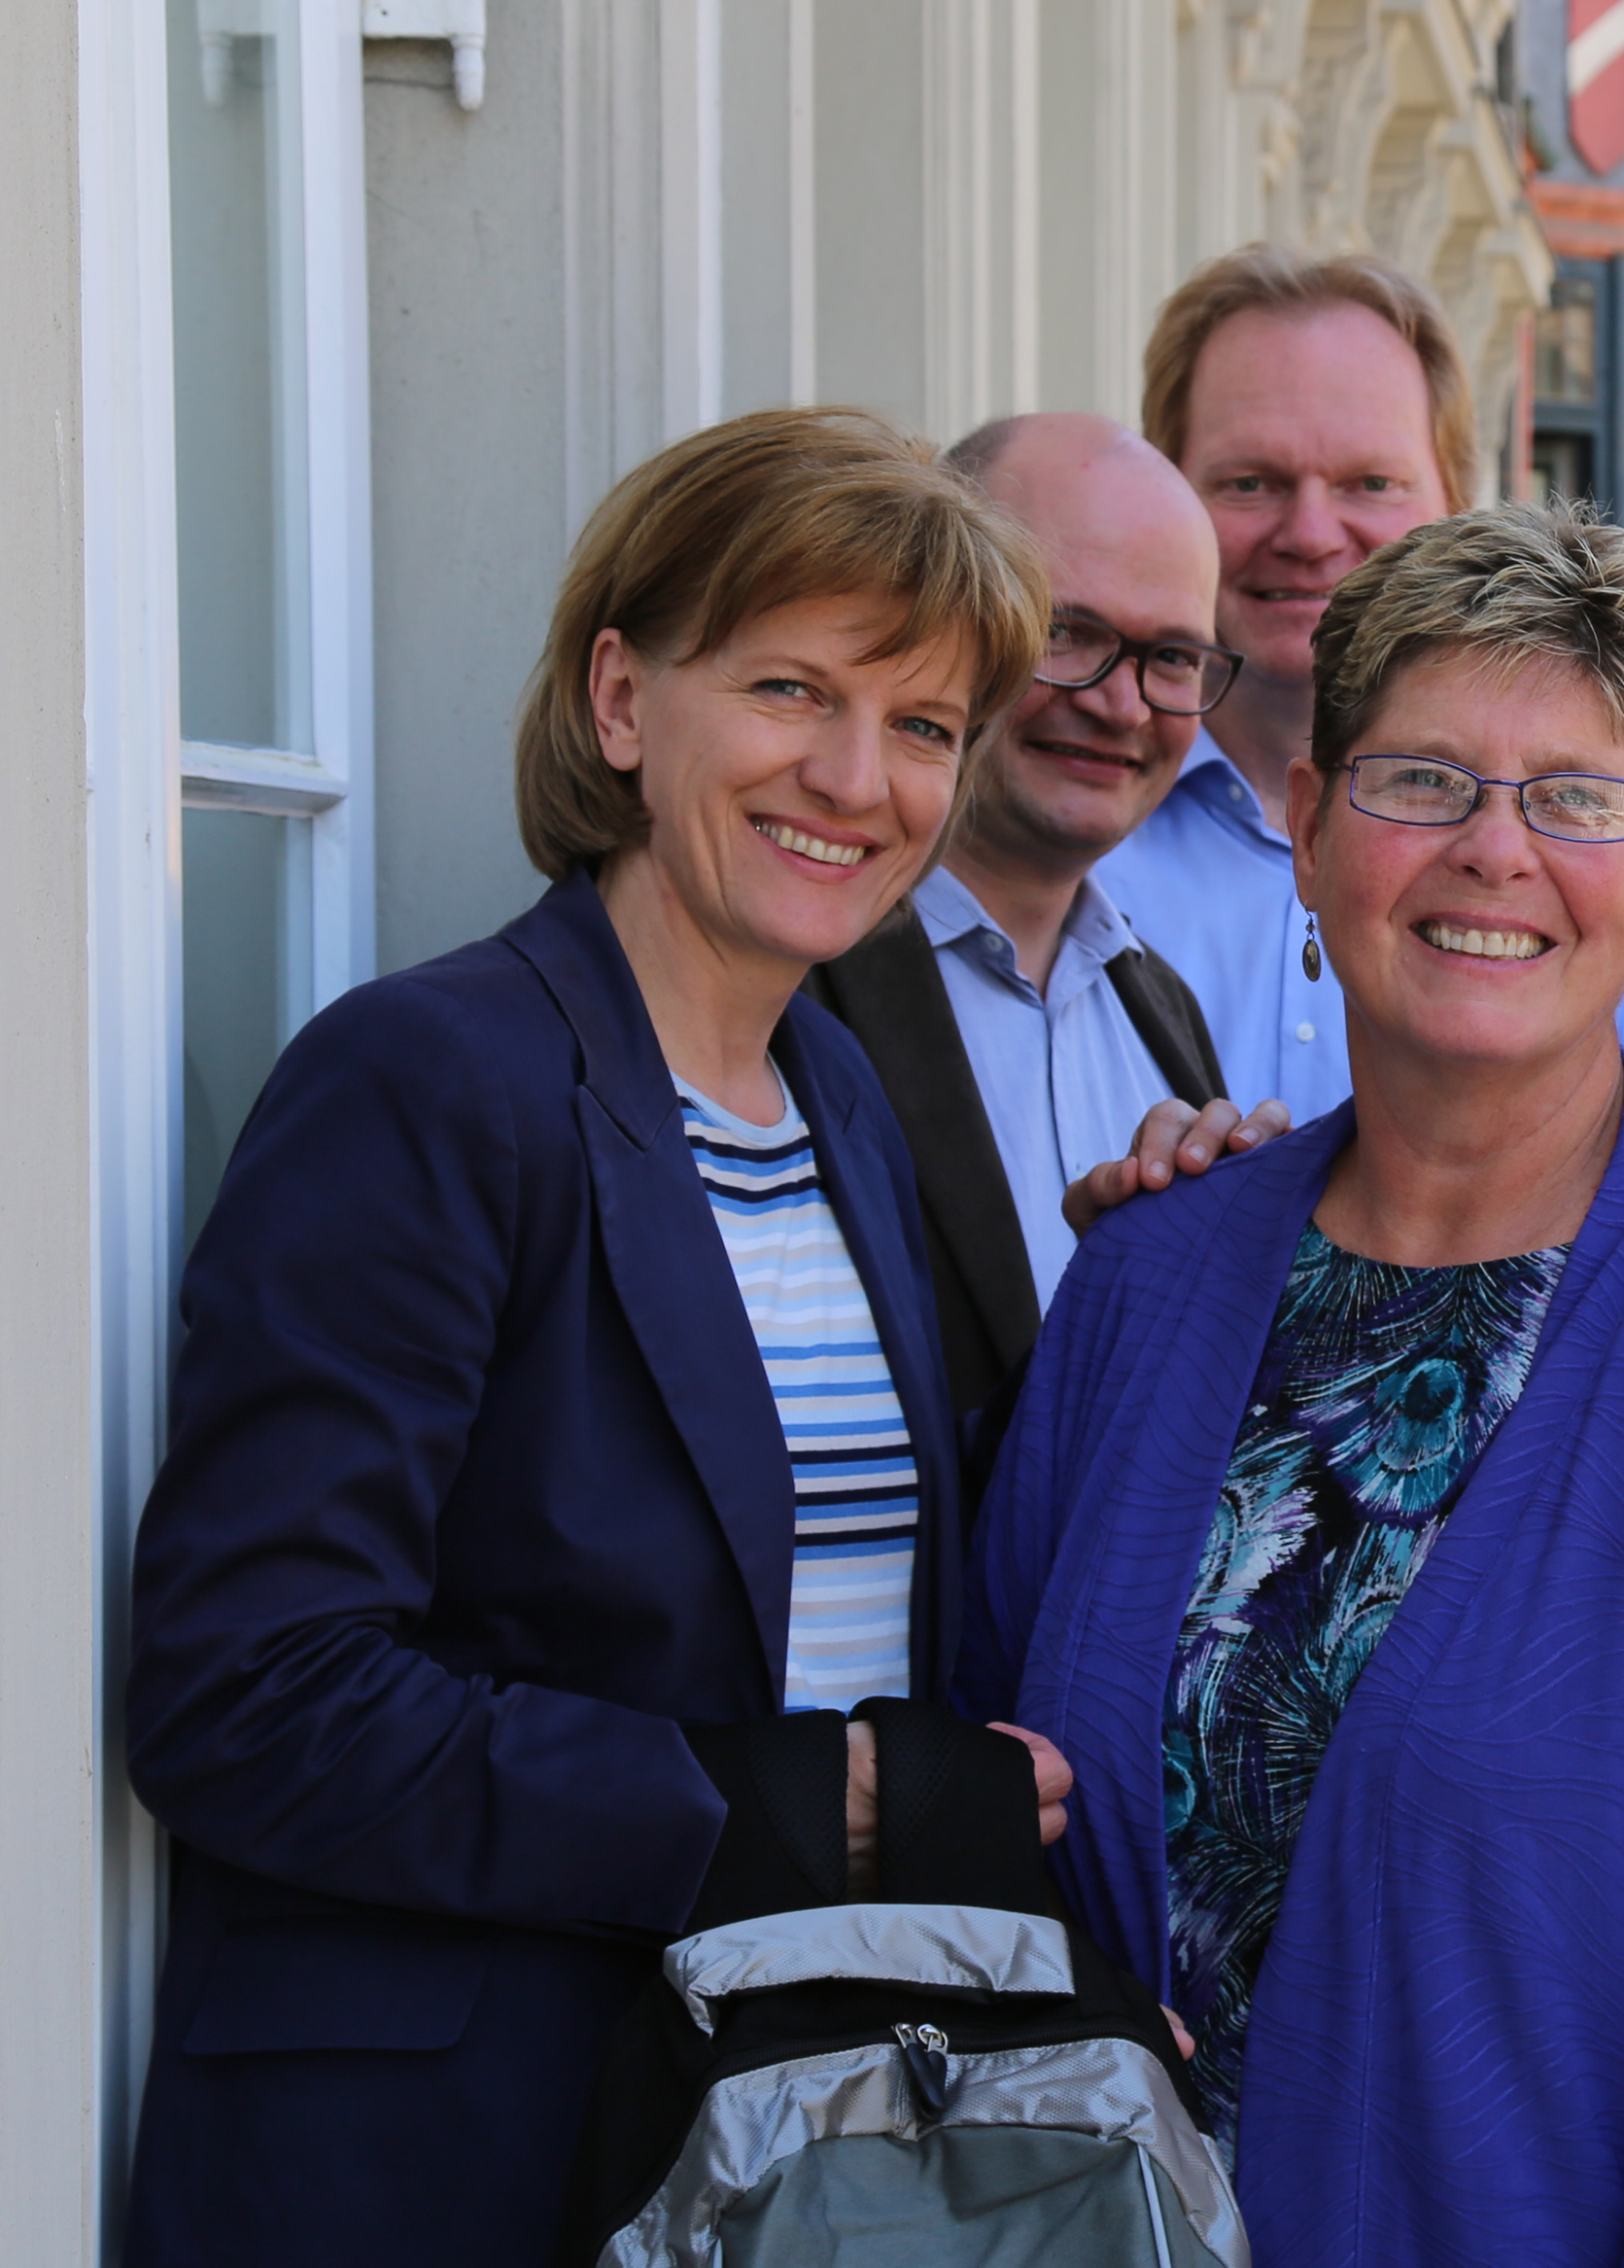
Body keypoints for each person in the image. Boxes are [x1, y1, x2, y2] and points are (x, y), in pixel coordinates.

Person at [965, 501, 1624, 2265]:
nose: (1494, 850)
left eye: (1576, 796)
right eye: (1421, 780)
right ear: (1304, 824)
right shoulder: (1148, 1279)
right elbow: (995, 1820)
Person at [119, 408, 1076, 2267]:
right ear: (625, 698)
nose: (857, 776)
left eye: (925, 725)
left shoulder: (841, 1099)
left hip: (774, 2137)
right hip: (446, 2160)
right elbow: (247, 1691)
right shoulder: (429, 1082)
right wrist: (796, 1806)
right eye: (793, 687)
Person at [1100, 243, 1624, 1125]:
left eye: (1370, 482)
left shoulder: (1596, 861)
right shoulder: (1078, 840)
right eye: (1251, 482)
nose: (1312, 532)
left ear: (1454, 495)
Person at [805, 413, 1287, 1418]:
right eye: (1065, 632)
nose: (1120, 704)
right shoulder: (792, 971)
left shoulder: (1159, 1009)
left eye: (1171, 658)